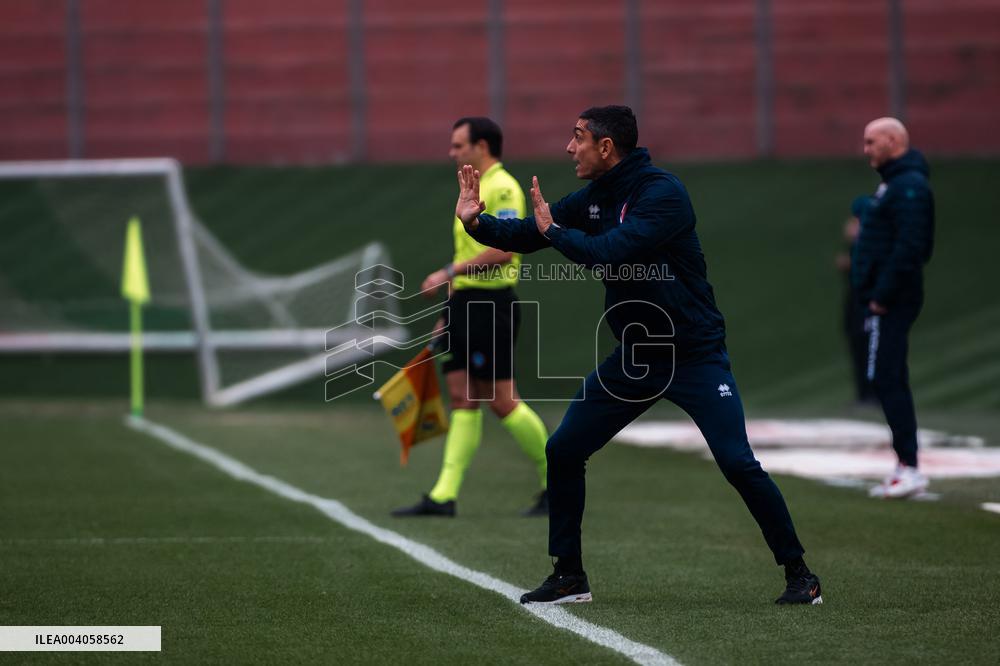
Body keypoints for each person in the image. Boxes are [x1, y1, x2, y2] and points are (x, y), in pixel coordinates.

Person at [454, 106, 821, 605]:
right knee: (564, 450)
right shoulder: (595, 196)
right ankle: (569, 576)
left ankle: (800, 574)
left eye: (577, 137)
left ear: (606, 147)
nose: (568, 147)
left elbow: (611, 250)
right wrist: (479, 223)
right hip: (637, 357)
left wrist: (555, 232)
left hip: (694, 354)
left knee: (737, 463)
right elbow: (528, 232)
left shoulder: (662, 193)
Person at [392, 117, 550, 518]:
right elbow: (468, 255)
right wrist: (447, 313)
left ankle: (556, 484)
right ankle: (444, 496)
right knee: (463, 398)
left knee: (501, 401)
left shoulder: (503, 186)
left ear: (482, 146)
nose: (452, 152)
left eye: (459, 145)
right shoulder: (472, 188)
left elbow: (506, 250)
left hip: (491, 305)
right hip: (464, 306)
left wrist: (447, 273)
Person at [852, 117, 935, 499]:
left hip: (893, 299)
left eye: (872, 142)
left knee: (888, 377)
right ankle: (905, 464)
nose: (866, 149)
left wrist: (881, 295)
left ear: (892, 140)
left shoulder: (908, 186)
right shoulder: (894, 184)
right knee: (886, 377)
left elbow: (911, 247)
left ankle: (910, 466)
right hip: (886, 296)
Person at [838, 196, 878, 405]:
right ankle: (864, 394)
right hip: (856, 301)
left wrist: (850, 265)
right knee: (857, 344)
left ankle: (872, 394)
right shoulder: (859, 242)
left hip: (869, 302)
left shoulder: (874, 238)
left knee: (868, 346)